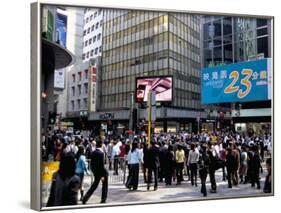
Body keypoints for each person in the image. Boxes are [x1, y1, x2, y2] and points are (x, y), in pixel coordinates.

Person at [82, 139, 108, 204]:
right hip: (102, 172)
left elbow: (92, 164)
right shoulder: (101, 153)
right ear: (101, 145)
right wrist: (102, 175)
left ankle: (85, 198)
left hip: (96, 172)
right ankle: (103, 199)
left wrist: (94, 172)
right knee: (104, 186)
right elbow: (102, 165)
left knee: (94, 186)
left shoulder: (93, 153)